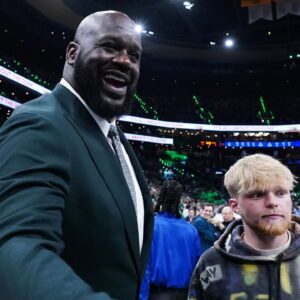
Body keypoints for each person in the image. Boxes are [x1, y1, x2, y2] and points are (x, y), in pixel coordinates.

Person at [0, 10, 154, 300]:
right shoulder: (39, 124)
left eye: (134, 55)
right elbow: (15, 247)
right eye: (110, 46)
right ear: (73, 53)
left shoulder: (114, 136)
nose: (124, 61)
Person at [188, 154, 300, 300]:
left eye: (281, 193)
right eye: (257, 194)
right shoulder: (211, 263)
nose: (273, 202)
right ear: (235, 206)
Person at [140, 180, 202, 300]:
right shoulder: (191, 230)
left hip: (156, 294)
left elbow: (145, 266)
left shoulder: (152, 226)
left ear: (161, 196)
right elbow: (197, 267)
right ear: (179, 199)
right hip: (183, 295)